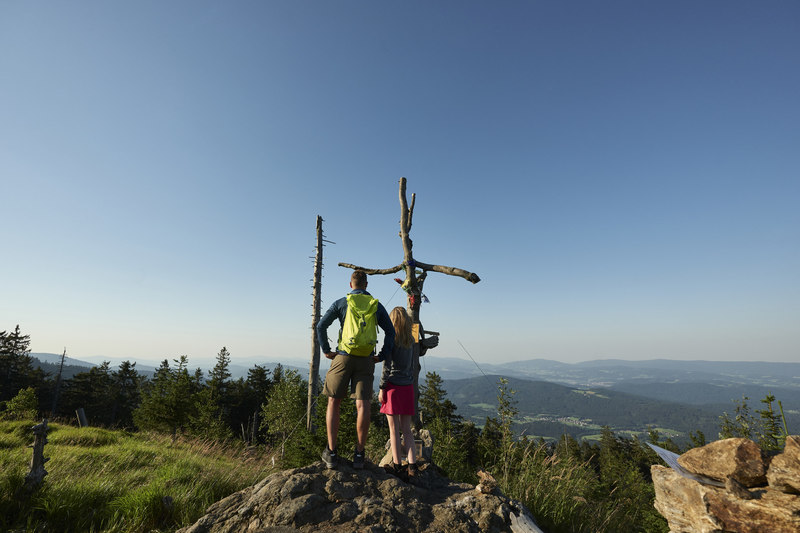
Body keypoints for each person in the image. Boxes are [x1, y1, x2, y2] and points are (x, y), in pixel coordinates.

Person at [317, 270, 395, 469]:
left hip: (343, 356)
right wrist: (383, 355)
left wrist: (326, 350)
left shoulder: (341, 303)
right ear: (366, 285)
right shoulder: (375, 305)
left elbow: (320, 326)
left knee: (334, 401)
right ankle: (359, 454)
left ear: (350, 284)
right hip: (367, 359)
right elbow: (391, 332)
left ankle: (332, 453)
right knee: (363, 405)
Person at [379, 306, 418, 481]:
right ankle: (412, 466)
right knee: (407, 430)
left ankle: (397, 465)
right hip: (408, 387)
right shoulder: (411, 339)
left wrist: (381, 388)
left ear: (392, 321)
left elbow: (386, 367)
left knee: (393, 430)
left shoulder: (391, 339)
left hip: (393, 388)